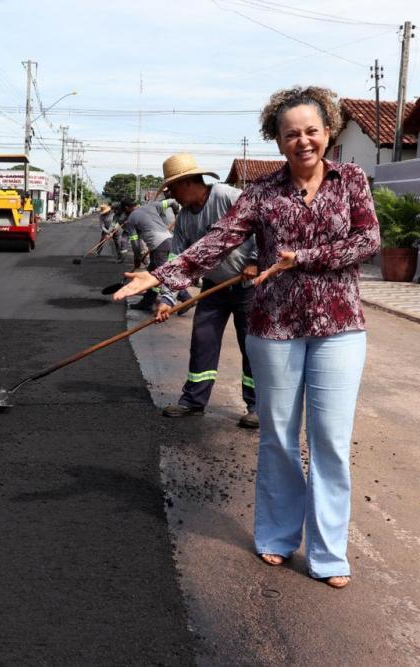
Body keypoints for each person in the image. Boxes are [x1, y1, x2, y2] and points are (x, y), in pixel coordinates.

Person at [113, 86, 379, 589]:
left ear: (329, 132)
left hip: (339, 328)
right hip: (275, 328)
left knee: (330, 443)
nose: (302, 141)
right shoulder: (260, 194)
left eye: (311, 131)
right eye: (290, 133)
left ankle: (328, 553)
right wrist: (165, 274)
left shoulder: (353, 180)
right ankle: (278, 536)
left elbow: (367, 240)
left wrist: (300, 257)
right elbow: (221, 238)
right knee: (278, 438)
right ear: (277, 142)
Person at [156, 154, 260, 429]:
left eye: (173, 189)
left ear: (189, 182)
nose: (172, 195)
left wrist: (255, 260)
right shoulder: (184, 220)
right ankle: (193, 401)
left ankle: (257, 405)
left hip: (248, 288)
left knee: (251, 347)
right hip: (214, 287)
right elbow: (176, 260)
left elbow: (262, 222)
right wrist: (166, 297)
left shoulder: (226, 196)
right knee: (203, 341)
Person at [121, 196, 188, 311]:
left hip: (159, 246)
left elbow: (135, 243)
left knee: (163, 276)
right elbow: (173, 201)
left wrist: (137, 258)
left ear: (127, 208)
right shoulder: (153, 205)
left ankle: (186, 299)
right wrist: (177, 211)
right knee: (153, 273)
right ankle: (147, 302)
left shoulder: (131, 219)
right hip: (170, 240)